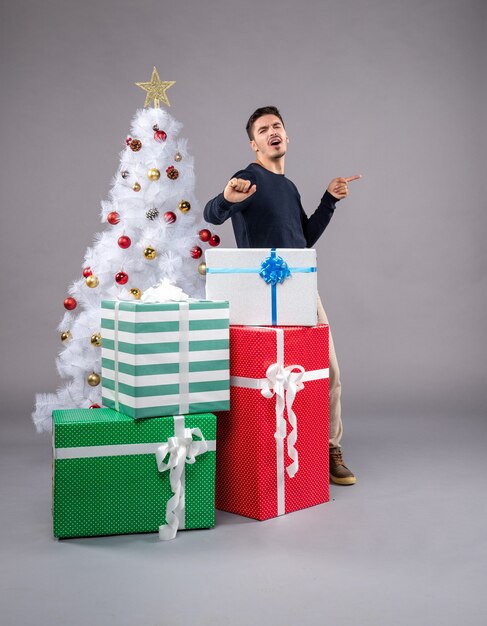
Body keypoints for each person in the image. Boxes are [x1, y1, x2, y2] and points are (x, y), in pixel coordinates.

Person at [204, 105, 361, 485]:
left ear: (286, 137)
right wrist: (226, 197)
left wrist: (329, 200)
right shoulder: (246, 178)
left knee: (329, 372)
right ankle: (249, 457)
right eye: (263, 129)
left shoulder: (289, 187)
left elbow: (302, 241)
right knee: (261, 380)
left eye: (277, 126)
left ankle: (327, 448)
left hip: (301, 288)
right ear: (254, 143)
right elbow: (213, 214)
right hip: (257, 295)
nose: (271, 131)